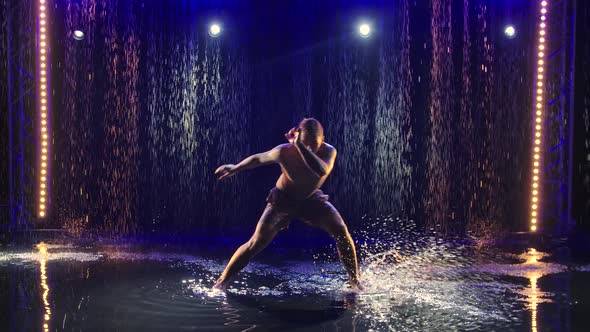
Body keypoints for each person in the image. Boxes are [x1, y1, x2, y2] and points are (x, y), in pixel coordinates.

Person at [212, 118, 362, 291]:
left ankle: (355, 281)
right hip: (282, 200)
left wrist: (300, 146)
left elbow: (321, 170)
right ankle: (221, 282)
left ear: (323, 140)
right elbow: (259, 158)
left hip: (311, 200)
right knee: (255, 243)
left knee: (342, 232)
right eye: (306, 145)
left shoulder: (329, 151)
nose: (311, 149)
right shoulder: (284, 151)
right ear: (298, 138)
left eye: (315, 145)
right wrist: (235, 167)